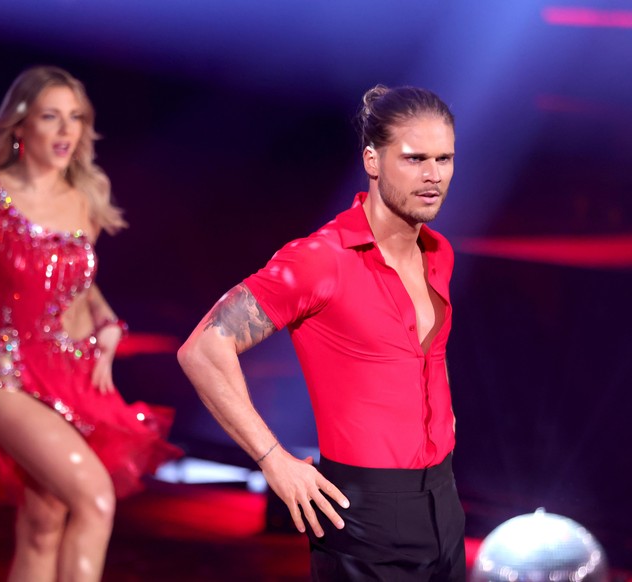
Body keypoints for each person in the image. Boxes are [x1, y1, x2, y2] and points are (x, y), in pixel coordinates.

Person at [0, 65, 181, 581]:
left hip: (73, 374)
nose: (65, 130)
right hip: (4, 375)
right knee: (94, 498)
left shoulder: (84, 201)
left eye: (75, 118)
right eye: (51, 117)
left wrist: (107, 320)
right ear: (19, 126)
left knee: (43, 522)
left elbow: (78, 284)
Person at [178, 85, 466, 581]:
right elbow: (203, 349)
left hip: (444, 504)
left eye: (444, 159)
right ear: (372, 160)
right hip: (363, 513)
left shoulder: (438, 253)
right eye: (415, 158)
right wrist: (273, 460)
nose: (433, 176)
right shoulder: (320, 260)